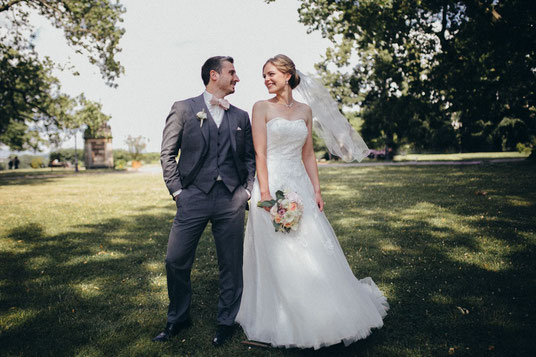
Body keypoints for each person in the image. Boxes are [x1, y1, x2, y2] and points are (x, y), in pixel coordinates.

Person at [236, 54, 388, 349]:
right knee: (279, 249)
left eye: (271, 74)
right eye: (264, 75)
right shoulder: (261, 108)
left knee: (313, 245)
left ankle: (327, 310)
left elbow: (307, 154)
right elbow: (261, 154)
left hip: (300, 184)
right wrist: (265, 194)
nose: (266, 79)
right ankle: (283, 317)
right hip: (272, 184)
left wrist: (316, 190)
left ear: (288, 74)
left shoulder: (305, 111)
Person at [156, 56, 256, 347]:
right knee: (175, 260)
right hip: (193, 197)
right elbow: (167, 154)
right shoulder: (184, 108)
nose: (237, 78)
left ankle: (226, 321)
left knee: (231, 264)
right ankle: (178, 317)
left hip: (230, 199)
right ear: (214, 75)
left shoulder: (241, 116)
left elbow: (250, 158)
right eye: (232, 73)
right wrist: (178, 192)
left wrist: (246, 192)